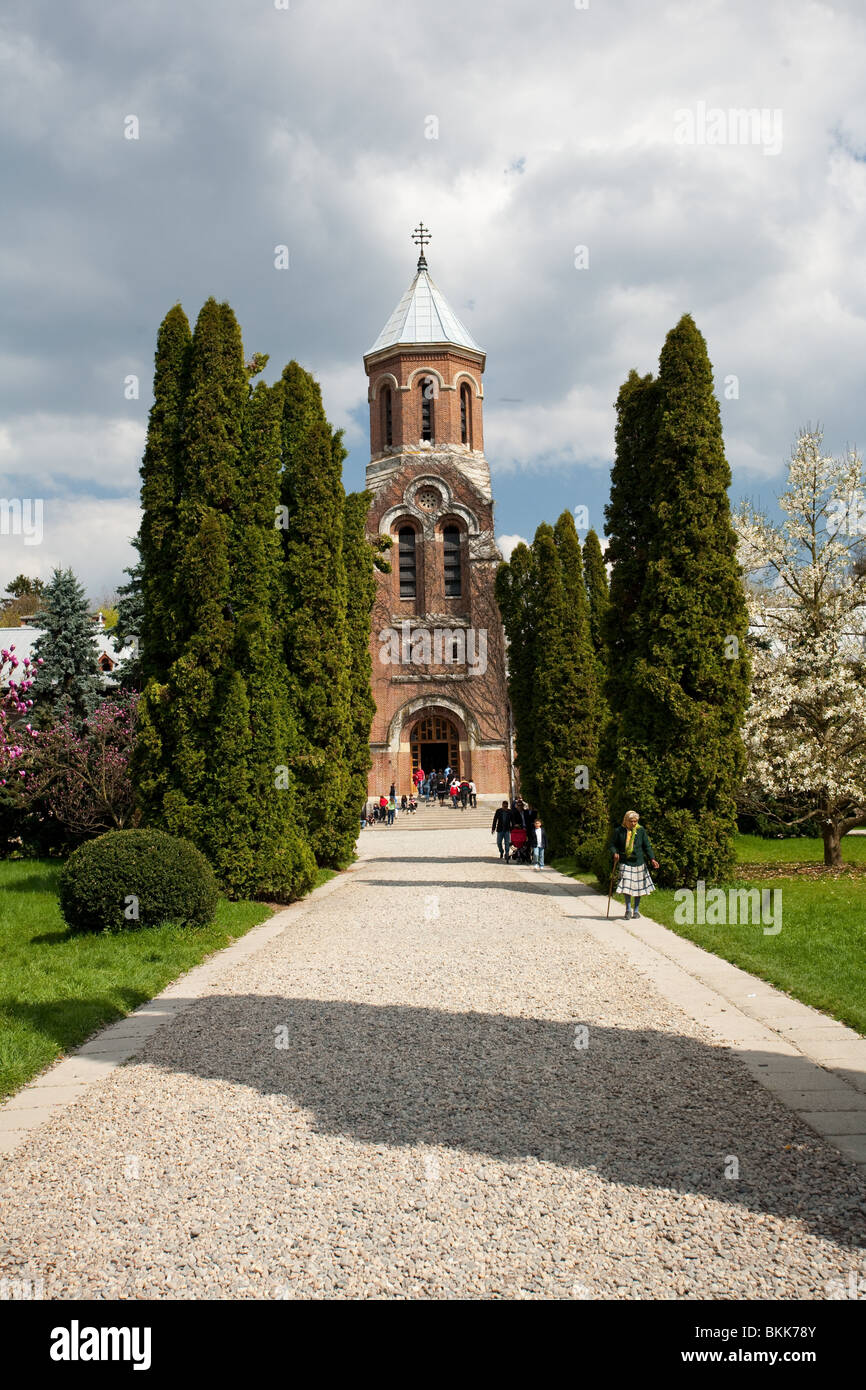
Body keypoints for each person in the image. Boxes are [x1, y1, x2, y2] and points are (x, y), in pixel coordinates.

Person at [610, 810, 659, 919]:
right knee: (626, 885)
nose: (633, 823)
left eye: (635, 821)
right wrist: (615, 853)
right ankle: (628, 910)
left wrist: (652, 859)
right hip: (625, 861)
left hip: (639, 862)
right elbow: (612, 844)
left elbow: (647, 846)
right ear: (626, 821)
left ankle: (636, 911)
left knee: (638, 887)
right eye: (631, 821)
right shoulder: (619, 831)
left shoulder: (641, 831)